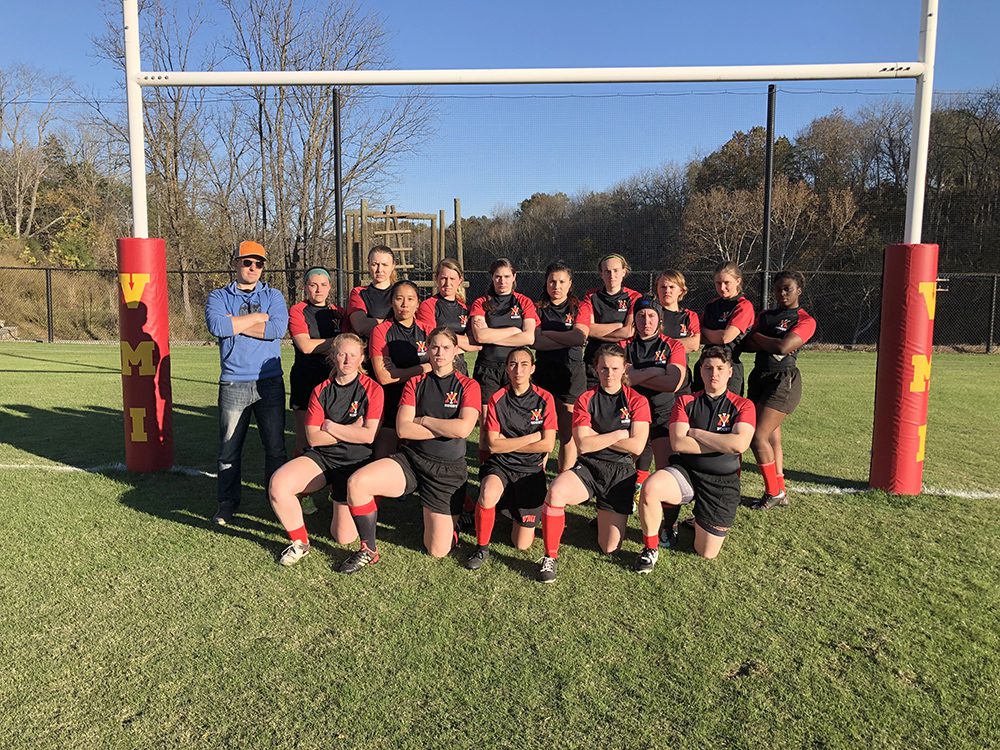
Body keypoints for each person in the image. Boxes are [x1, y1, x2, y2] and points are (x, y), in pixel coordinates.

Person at [342, 328, 481, 572]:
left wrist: (424, 420)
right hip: (411, 460)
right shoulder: (416, 382)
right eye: (434, 347)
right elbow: (403, 429)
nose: (439, 352)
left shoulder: (468, 385)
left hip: (447, 471)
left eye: (446, 347)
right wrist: (443, 427)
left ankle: (455, 523)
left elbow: (463, 429)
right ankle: (369, 549)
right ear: (427, 349)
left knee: (437, 550)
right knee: (358, 483)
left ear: (456, 351)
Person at [634, 346, 756, 572]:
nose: (714, 374)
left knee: (706, 552)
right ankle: (651, 548)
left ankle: (697, 519)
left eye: (720, 368)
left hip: (722, 482)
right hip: (687, 471)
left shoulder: (743, 405)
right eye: (708, 368)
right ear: (700, 371)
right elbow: (679, 443)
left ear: (730, 372)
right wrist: (722, 442)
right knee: (651, 488)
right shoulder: (685, 401)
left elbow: (739, 444)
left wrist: (696, 433)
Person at [536, 345, 650, 583]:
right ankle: (550, 556)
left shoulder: (637, 401)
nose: (609, 373)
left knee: (609, 548)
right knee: (556, 491)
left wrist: (597, 436)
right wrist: (619, 435)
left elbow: (637, 447)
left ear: (624, 369)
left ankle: (603, 515)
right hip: (588, 466)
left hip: (620, 471)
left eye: (615, 368)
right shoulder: (586, 399)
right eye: (604, 368)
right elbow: (583, 445)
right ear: (596, 369)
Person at [267, 334, 383, 565]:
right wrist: (349, 429)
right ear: (333, 357)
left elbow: (369, 435)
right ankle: (301, 543)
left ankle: (347, 498)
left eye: (353, 355)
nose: (347, 360)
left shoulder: (372, 389)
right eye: (342, 354)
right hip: (321, 458)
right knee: (278, 484)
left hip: (354, 463)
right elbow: (313, 437)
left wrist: (329, 426)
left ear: (362, 358)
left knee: (343, 537)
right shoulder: (321, 390)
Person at [204, 240, 289, 525]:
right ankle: (227, 503)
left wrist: (237, 324)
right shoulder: (218, 296)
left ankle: (277, 502)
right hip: (233, 382)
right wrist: (258, 319)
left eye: (259, 263)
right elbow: (218, 326)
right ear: (236, 263)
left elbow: (277, 329)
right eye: (247, 262)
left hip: (269, 383)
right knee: (229, 449)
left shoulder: (274, 295)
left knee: (275, 447)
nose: (253, 268)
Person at [466, 347, 557, 570]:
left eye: (524, 364)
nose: (518, 369)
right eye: (513, 364)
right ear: (507, 368)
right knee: (487, 494)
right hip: (501, 465)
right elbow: (493, 445)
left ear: (533, 368)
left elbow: (548, 444)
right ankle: (482, 547)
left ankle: (506, 509)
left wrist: (511, 443)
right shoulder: (497, 398)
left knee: (521, 545)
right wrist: (532, 437)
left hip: (530, 469)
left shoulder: (545, 398)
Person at [743, 271, 816, 509]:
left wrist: (759, 336)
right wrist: (766, 339)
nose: (782, 294)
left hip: (783, 380)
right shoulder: (765, 315)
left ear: (799, 290)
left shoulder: (804, 319)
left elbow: (785, 346)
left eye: (787, 289)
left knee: (757, 436)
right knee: (773, 436)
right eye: (777, 289)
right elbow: (748, 345)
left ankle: (773, 492)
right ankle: (780, 489)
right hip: (759, 376)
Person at [469, 258, 539, 465]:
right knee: (485, 422)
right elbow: (480, 337)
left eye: (507, 276)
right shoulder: (481, 302)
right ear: (492, 277)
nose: (502, 281)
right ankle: (485, 468)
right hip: (488, 368)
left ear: (514, 277)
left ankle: (512, 464)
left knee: (514, 419)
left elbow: (529, 338)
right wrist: (513, 330)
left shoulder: (524, 302)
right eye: (498, 276)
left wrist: (493, 334)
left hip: (515, 369)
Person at [621, 296, 687, 482]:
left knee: (665, 471)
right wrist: (655, 370)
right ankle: (636, 488)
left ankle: (664, 507)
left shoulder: (673, 345)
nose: (646, 321)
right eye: (641, 316)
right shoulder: (624, 345)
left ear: (660, 319)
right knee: (625, 463)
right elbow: (621, 379)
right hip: (630, 412)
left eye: (651, 315)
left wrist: (635, 375)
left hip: (662, 412)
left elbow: (673, 383)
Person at [532, 260, 589, 471]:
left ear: (570, 283)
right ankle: (536, 476)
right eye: (552, 281)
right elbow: (535, 341)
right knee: (541, 427)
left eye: (561, 281)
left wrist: (548, 334)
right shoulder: (537, 308)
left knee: (567, 432)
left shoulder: (580, 307)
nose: (556, 286)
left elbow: (579, 336)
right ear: (546, 283)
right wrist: (565, 336)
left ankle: (564, 476)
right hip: (544, 371)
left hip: (572, 373)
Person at [369, 279, 433, 457]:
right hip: (391, 400)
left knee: (418, 457)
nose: (405, 304)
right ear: (391, 301)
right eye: (399, 298)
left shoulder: (428, 330)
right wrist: (425, 367)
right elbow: (384, 377)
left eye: (410, 299)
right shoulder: (381, 331)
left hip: (421, 402)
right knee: (382, 458)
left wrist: (399, 371)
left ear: (418, 303)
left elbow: (444, 365)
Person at [288, 267, 346, 457]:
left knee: (331, 435)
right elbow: (305, 346)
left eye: (323, 285)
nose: (319, 290)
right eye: (313, 285)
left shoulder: (339, 312)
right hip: (306, 378)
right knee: (305, 440)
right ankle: (300, 485)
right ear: (306, 287)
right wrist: (338, 341)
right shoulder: (298, 310)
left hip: (333, 382)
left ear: (330, 287)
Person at [579, 253, 642, 389]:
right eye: (607, 271)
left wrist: (596, 330)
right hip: (594, 361)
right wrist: (618, 326)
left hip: (622, 360)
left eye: (616, 271)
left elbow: (628, 331)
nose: (611, 275)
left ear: (624, 272)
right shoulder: (591, 296)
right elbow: (586, 329)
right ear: (601, 274)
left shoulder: (634, 297)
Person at [698, 261, 754, 396]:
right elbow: (697, 336)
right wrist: (714, 334)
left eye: (726, 282)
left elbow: (726, 337)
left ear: (738, 281)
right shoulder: (711, 305)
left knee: (726, 414)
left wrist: (705, 331)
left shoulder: (743, 306)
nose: (722, 287)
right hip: (705, 365)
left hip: (729, 367)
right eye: (718, 283)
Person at [416, 258, 479, 375]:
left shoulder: (465, 309)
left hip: (460, 367)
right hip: (436, 366)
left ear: (460, 280)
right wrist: (460, 344)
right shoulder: (428, 305)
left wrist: (446, 341)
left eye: (452, 279)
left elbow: (476, 343)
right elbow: (431, 338)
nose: (447, 283)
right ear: (437, 279)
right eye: (444, 278)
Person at [346, 245, 396, 340]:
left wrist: (375, 323)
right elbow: (360, 326)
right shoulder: (359, 293)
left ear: (393, 266)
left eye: (385, 265)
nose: (379, 270)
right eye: (375, 264)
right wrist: (396, 323)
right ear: (368, 265)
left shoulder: (400, 292)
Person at [654, 269, 701, 354]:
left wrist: (660, 344)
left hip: (680, 365)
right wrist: (683, 342)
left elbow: (694, 345)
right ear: (657, 289)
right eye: (663, 287)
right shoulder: (650, 313)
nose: (667, 291)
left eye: (671, 287)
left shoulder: (689, 315)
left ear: (681, 290)